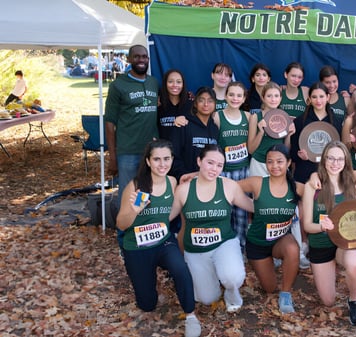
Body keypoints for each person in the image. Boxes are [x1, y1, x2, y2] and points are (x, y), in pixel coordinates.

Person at [116, 139, 201, 337]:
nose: (162, 164)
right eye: (156, 159)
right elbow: (121, 224)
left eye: (166, 159)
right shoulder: (138, 187)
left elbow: (167, 214)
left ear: (172, 159)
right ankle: (145, 281)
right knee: (147, 304)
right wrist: (135, 211)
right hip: (137, 246)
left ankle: (190, 316)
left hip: (163, 241)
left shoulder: (171, 182)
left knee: (181, 269)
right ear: (148, 162)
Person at [302, 141, 356, 326]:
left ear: (346, 161)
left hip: (343, 245)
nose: (335, 163)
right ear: (324, 160)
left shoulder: (352, 185)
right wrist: (322, 226)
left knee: (354, 262)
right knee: (328, 301)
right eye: (331, 158)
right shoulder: (313, 185)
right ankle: (331, 269)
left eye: (340, 159)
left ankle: (354, 301)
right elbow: (306, 225)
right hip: (320, 243)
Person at [171, 145, 254, 313]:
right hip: (196, 250)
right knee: (207, 298)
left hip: (224, 243)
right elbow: (166, 217)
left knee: (232, 277)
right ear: (199, 161)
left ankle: (232, 292)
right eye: (210, 163)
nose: (214, 169)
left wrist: (280, 203)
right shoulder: (183, 190)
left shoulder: (229, 186)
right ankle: (215, 275)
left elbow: (252, 206)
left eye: (219, 165)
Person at [105, 45, 159, 247]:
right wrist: (112, 156)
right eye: (136, 56)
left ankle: (143, 235)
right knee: (128, 196)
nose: (141, 59)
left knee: (147, 194)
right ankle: (124, 239)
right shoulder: (118, 85)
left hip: (150, 152)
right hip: (127, 151)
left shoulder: (153, 83)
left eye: (144, 56)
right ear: (129, 59)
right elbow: (109, 123)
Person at [238, 144, 301, 314]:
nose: (275, 166)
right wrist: (197, 176)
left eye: (280, 161)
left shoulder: (297, 187)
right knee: (270, 288)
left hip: (280, 240)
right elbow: (228, 187)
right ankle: (272, 265)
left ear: (288, 163)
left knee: (293, 248)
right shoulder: (257, 183)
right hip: (258, 245)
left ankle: (286, 294)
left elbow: (324, 192)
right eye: (270, 162)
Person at [213, 81, 251, 249]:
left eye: (239, 95)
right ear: (226, 96)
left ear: (244, 99)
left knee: (242, 212)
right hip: (224, 172)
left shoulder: (248, 117)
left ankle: (241, 245)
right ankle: (223, 245)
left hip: (243, 170)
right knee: (224, 210)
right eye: (232, 94)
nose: (235, 98)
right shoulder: (217, 116)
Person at [291, 82, 343, 184]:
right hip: (305, 174)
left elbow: (340, 151)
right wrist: (299, 156)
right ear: (309, 99)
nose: (318, 101)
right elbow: (293, 153)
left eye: (321, 96)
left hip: (329, 175)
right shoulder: (299, 121)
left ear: (328, 97)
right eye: (314, 97)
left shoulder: (337, 122)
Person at [170, 87, 219, 182]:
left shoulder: (214, 128)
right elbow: (173, 155)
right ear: (195, 104)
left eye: (210, 101)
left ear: (215, 104)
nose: (206, 104)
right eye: (201, 100)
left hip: (209, 181)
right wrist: (183, 175)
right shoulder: (184, 124)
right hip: (187, 180)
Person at [247, 81, 295, 177]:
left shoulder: (284, 118)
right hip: (259, 164)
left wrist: (289, 134)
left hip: (278, 165)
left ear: (280, 98)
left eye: (276, 96)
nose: (273, 99)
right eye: (269, 96)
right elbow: (250, 150)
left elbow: (286, 149)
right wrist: (261, 132)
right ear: (263, 98)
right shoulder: (256, 117)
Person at [157, 69, 193, 141]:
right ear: (165, 84)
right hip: (163, 150)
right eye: (170, 82)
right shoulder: (158, 105)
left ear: (183, 84)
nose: (175, 85)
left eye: (179, 82)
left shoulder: (191, 105)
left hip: (185, 151)